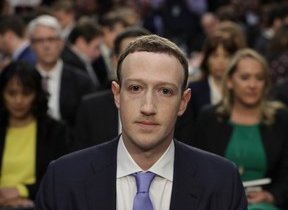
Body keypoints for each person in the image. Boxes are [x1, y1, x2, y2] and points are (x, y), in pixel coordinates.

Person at [36, 35, 247, 209]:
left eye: (165, 91)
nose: (148, 107)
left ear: (183, 102)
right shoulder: (64, 178)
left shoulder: (222, 181)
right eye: (135, 88)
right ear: (117, 95)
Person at [193, 48, 288, 209]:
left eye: (259, 78)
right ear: (230, 81)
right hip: (218, 202)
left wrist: (270, 196)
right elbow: (196, 169)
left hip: (264, 204)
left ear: (265, 83)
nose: (252, 85)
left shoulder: (280, 118)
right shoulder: (210, 117)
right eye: (245, 77)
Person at [0, 61, 68, 208]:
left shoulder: (55, 131)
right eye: (11, 93)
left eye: (26, 93)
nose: (18, 100)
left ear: (37, 94)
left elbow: (61, 179)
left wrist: (22, 192)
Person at [27, 14, 95, 128]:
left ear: (61, 43)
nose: (46, 46)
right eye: (40, 40)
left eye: (51, 39)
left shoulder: (81, 81)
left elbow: (89, 122)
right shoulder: (24, 79)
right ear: (31, 46)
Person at [187, 21, 246, 120]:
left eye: (226, 56)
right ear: (207, 59)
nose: (220, 62)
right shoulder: (194, 91)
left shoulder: (242, 89)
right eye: (215, 55)